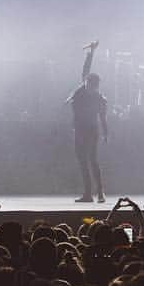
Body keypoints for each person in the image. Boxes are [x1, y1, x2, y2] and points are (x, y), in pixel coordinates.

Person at [65, 40, 108, 203]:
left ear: (95, 86)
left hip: (91, 131)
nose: (87, 86)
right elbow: (86, 69)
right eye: (86, 83)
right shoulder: (82, 90)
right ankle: (88, 194)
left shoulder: (99, 99)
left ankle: (100, 193)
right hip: (80, 130)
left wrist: (105, 133)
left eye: (91, 85)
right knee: (83, 161)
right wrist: (91, 53)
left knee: (92, 160)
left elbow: (103, 118)